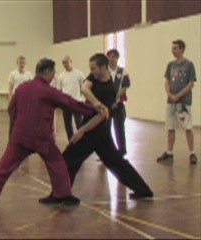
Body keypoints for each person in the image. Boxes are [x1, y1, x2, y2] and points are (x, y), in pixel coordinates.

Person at [0, 58, 96, 210]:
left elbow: (11, 109)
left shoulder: (22, 88)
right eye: (53, 72)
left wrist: (20, 123)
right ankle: (64, 194)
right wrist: (92, 109)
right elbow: (70, 103)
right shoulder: (48, 90)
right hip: (41, 137)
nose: (54, 75)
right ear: (47, 72)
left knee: (4, 166)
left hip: (19, 136)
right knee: (57, 163)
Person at [39, 54, 153, 204]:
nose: (91, 71)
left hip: (96, 131)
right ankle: (143, 190)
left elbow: (99, 118)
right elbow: (84, 89)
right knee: (116, 162)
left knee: (69, 158)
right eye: (90, 68)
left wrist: (81, 131)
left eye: (93, 68)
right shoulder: (94, 77)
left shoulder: (110, 91)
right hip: (98, 132)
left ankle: (60, 194)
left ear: (103, 67)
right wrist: (96, 103)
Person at [157, 39, 197, 164]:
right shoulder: (170, 65)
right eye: (172, 48)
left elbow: (191, 84)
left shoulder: (189, 65)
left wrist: (178, 95)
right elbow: (167, 81)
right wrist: (170, 95)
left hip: (184, 102)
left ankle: (192, 153)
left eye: (175, 48)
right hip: (171, 102)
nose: (172, 50)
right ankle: (169, 152)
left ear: (182, 49)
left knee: (188, 127)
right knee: (170, 126)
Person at [107, 49, 131, 156]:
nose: (110, 58)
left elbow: (125, 86)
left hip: (118, 104)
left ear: (117, 58)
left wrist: (115, 99)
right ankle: (107, 151)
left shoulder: (123, 71)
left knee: (119, 128)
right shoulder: (104, 71)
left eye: (112, 56)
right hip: (106, 105)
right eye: (108, 56)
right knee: (105, 129)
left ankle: (121, 150)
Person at [56, 56, 85, 141]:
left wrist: (83, 98)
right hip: (66, 103)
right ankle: (71, 141)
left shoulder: (79, 73)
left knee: (79, 123)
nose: (65, 64)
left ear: (71, 62)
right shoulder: (61, 76)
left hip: (77, 102)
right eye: (64, 63)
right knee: (67, 124)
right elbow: (59, 90)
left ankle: (82, 140)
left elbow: (84, 86)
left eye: (67, 62)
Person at [8, 56, 33, 137]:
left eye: (23, 63)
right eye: (20, 62)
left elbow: (32, 88)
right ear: (17, 63)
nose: (22, 64)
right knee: (13, 120)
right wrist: (10, 101)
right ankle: (12, 138)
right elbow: (10, 88)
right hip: (16, 100)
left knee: (25, 120)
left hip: (26, 101)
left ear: (25, 64)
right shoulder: (12, 74)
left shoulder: (29, 74)